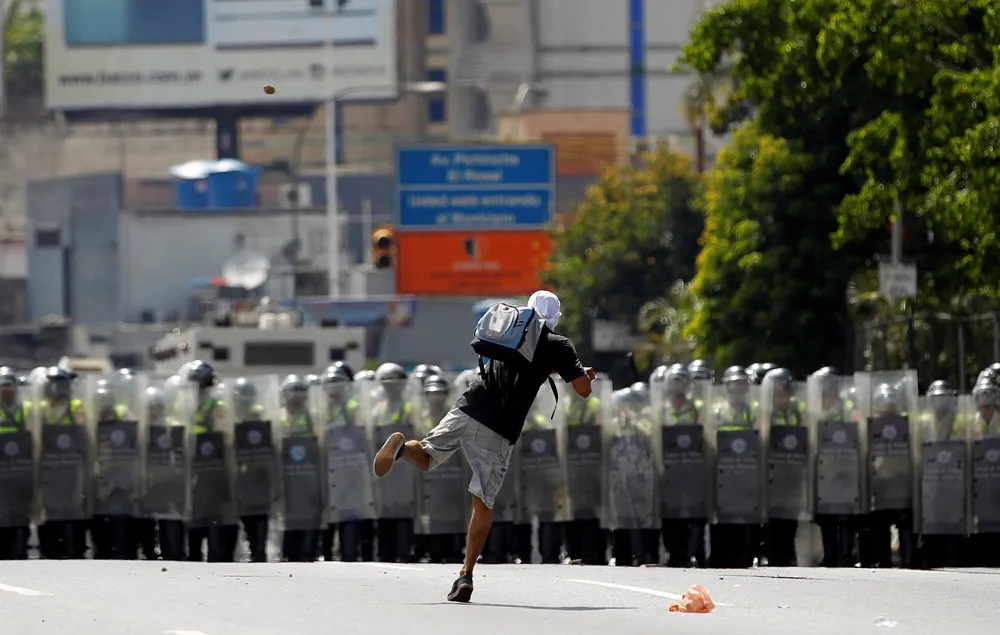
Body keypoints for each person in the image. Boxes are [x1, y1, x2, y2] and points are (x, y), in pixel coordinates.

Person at [372, 290, 595, 602]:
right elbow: (582, 390)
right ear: (556, 318)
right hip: (499, 428)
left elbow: (526, 364)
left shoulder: (511, 330)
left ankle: (403, 449)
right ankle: (466, 574)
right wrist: (584, 375)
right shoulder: (558, 345)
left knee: (427, 456)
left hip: (469, 405)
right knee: (483, 501)